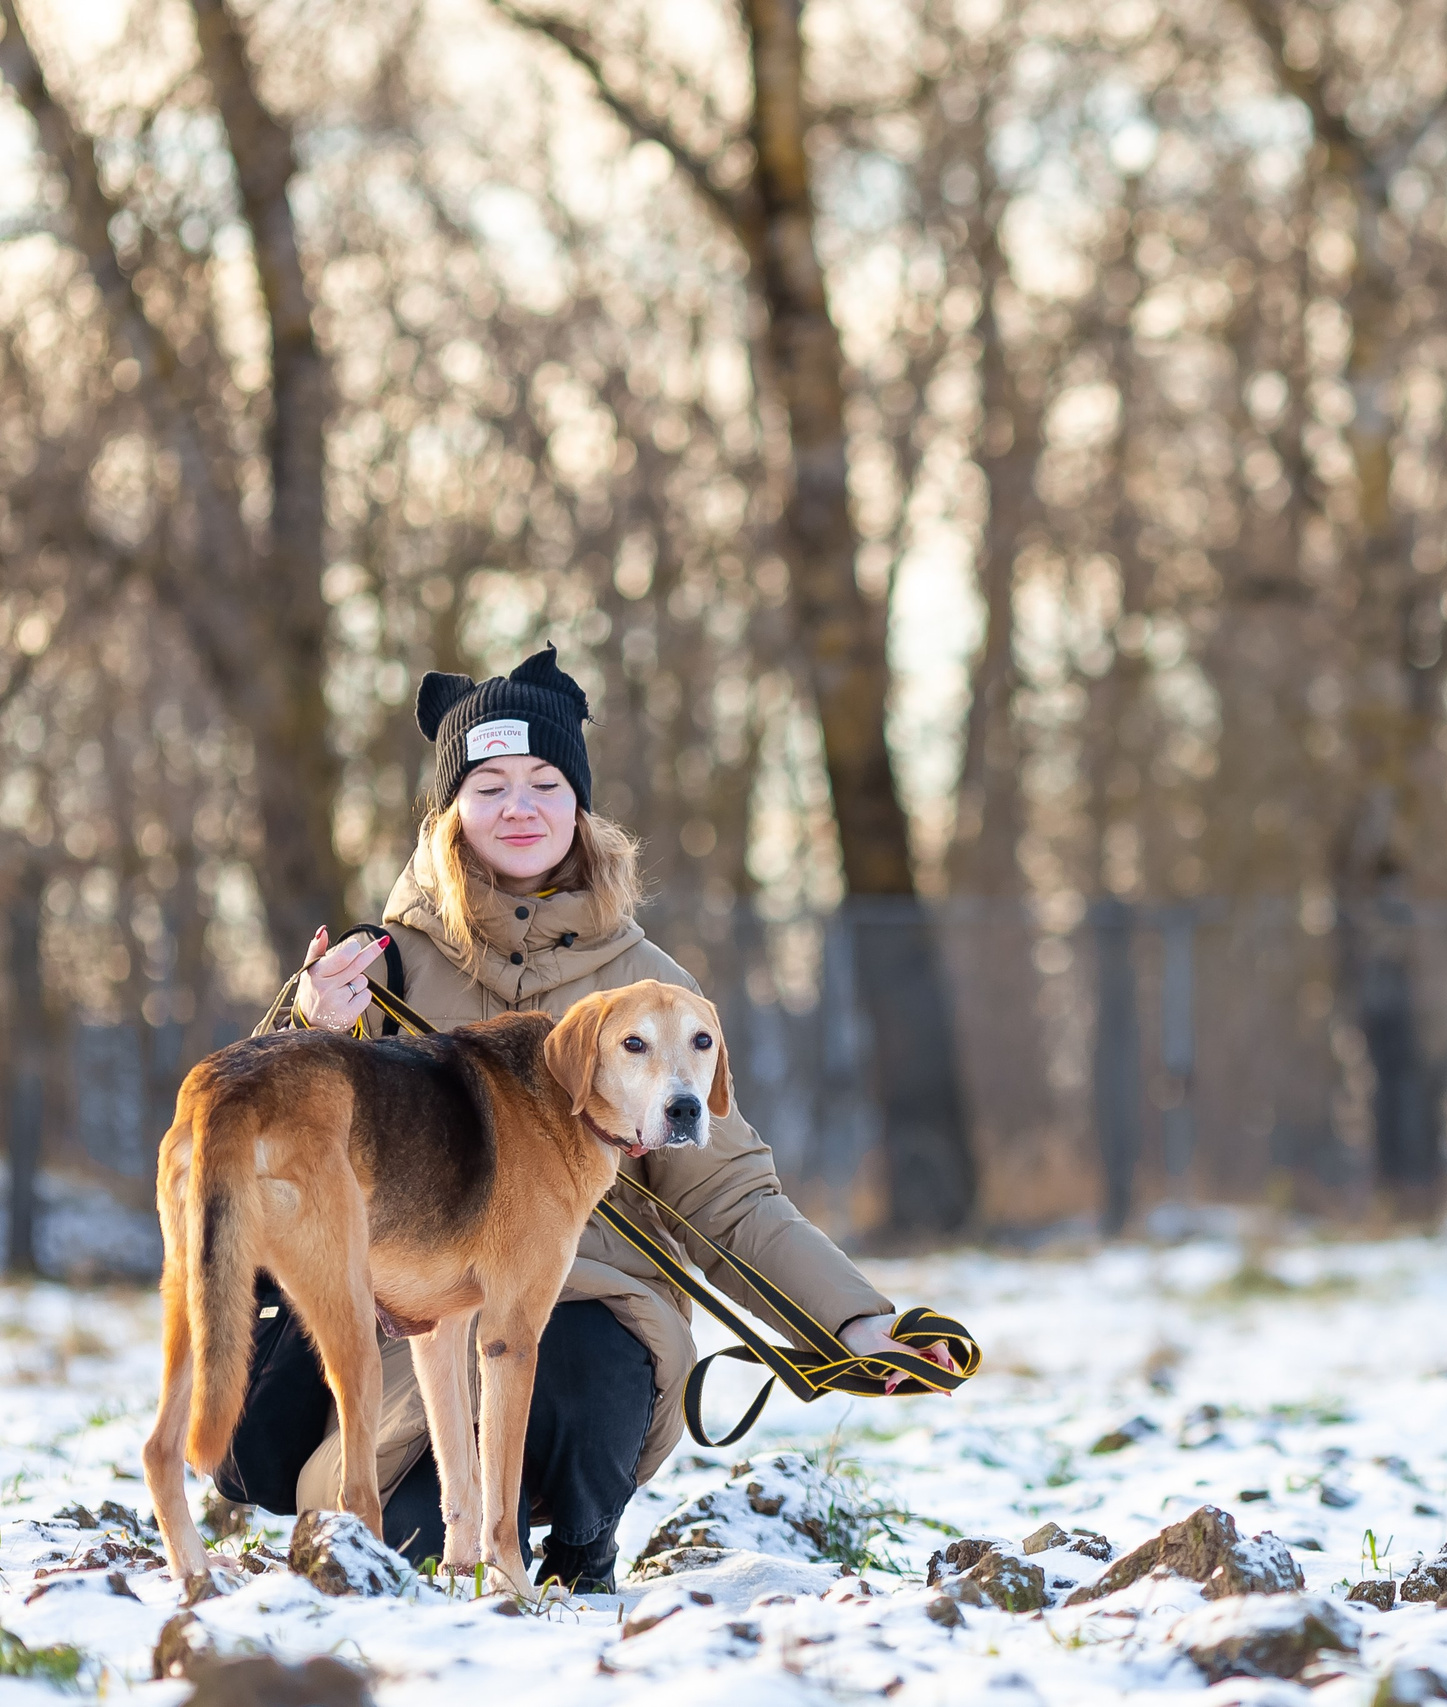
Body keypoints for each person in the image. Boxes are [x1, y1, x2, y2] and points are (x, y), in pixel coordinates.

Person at [215, 645, 948, 1591]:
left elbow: (726, 1193)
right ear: (450, 812)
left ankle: (580, 1552)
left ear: (579, 805)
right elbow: (260, 1151)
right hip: (414, 1330)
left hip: (593, 1308)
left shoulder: (656, 992)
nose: (519, 806)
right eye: (489, 784)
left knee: (577, 1358)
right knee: (417, 1545)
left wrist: (854, 1324)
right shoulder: (382, 971)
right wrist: (305, 1022)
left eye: (544, 780)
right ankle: (439, 1540)